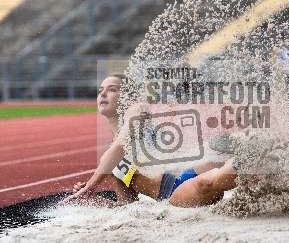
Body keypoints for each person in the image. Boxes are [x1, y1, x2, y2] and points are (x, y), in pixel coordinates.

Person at [63, 73, 226, 206]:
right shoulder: (109, 162)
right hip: (172, 195)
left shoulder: (136, 110)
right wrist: (94, 200)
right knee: (207, 184)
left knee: (221, 155)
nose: (103, 94)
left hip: (187, 171)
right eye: (100, 91)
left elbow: (121, 146)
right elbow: (127, 205)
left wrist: (89, 187)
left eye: (112, 89)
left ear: (128, 97)